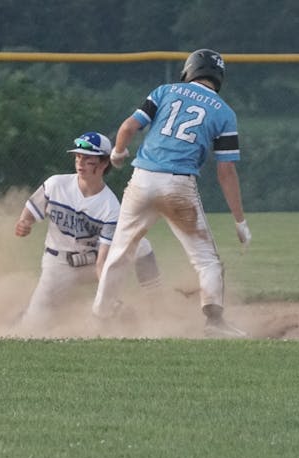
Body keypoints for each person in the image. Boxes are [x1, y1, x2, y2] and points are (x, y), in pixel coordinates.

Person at [91, 48, 252, 338]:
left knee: (120, 253)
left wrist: (116, 154)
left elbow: (128, 127)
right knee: (206, 260)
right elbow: (226, 171)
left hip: (141, 180)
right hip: (179, 185)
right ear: (218, 78)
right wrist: (240, 221)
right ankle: (214, 322)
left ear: (189, 70)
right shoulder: (225, 113)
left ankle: (100, 317)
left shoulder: (165, 91)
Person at [14, 131, 161, 331]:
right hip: (59, 264)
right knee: (33, 326)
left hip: (92, 261)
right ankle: (26, 315)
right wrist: (24, 223)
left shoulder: (110, 207)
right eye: (78, 157)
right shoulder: (56, 184)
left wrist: (108, 297)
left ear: (103, 164)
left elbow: (102, 262)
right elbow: (30, 213)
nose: (80, 163)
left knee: (140, 244)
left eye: (88, 159)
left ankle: (156, 300)